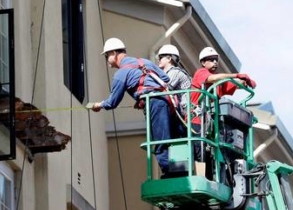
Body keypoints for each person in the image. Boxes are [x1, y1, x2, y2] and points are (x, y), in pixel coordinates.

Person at [90, 38, 175, 175]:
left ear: (113, 53)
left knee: (160, 139)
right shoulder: (144, 62)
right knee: (170, 136)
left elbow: (112, 102)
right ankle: (178, 169)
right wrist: (144, 93)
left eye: (107, 55)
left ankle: (169, 173)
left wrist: (99, 105)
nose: (107, 59)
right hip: (166, 101)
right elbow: (165, 79)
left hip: (154, 103)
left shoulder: (121, 73)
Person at [190, 46, 256, 179]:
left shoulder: (218, 83)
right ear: (203, 62)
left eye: (216, 60)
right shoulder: (201, 73)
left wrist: (244, 82)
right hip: (195, 121)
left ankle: (213, 177)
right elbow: (213, 79)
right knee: (199, 149)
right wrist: (235, 75)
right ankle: (201, 177)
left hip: (209, 123)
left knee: (211, 151)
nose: (215, 62)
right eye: (211, 60)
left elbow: (230, 83)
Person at [157, 44, 191, 136]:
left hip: (183, 113)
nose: (158, 60)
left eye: (160, 57)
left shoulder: (174, 72)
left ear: (169, 58)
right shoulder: (169, 73)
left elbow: (165, 88)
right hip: (181, 112)